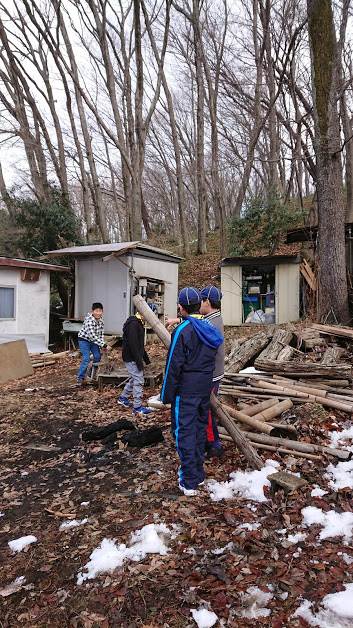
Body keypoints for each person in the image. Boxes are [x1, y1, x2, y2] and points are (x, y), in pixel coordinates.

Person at [160, 287, 223, 496]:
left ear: (181, 306)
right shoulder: (209, 328)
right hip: (204, 387)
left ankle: (189, 480)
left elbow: (173, 365)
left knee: (183, 432)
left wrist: (166, 395)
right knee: (197, 429)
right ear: (199, 304)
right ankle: (198, 473)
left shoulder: (183, 331)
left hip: (185, 391)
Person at [200, 286, 225, 458]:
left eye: (200, 301)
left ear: (207, 302)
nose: (198, 305)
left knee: (206, 410)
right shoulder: (215, 318)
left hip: (211, 373)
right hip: (216, 372)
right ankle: (211, 441)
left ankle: (213, 444)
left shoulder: (210, 323)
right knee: (208, 409)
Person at [118, 310, 153, 416]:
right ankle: (137, 407)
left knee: (134, 378)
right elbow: (133, 345)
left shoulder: (138, 323)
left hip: (132, 356)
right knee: (139, 380)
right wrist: (139, 361)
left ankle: (123, 398)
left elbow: (139, 345)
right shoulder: (134, 324)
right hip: (131, 357)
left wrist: (146, 360)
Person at [77, 302, 107, 385]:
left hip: (94, 341)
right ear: (92, 311)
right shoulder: (89, 321)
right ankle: (80, 377)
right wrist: (103, 344)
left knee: (97, 356)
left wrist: (102, 345)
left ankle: (91, 373)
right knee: (86, 359)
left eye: (100, 311)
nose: (98, 313)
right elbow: (92, 336)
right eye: (96, 311)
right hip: (84, 340)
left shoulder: (101, 321)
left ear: (102, 312)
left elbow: (100, 335)